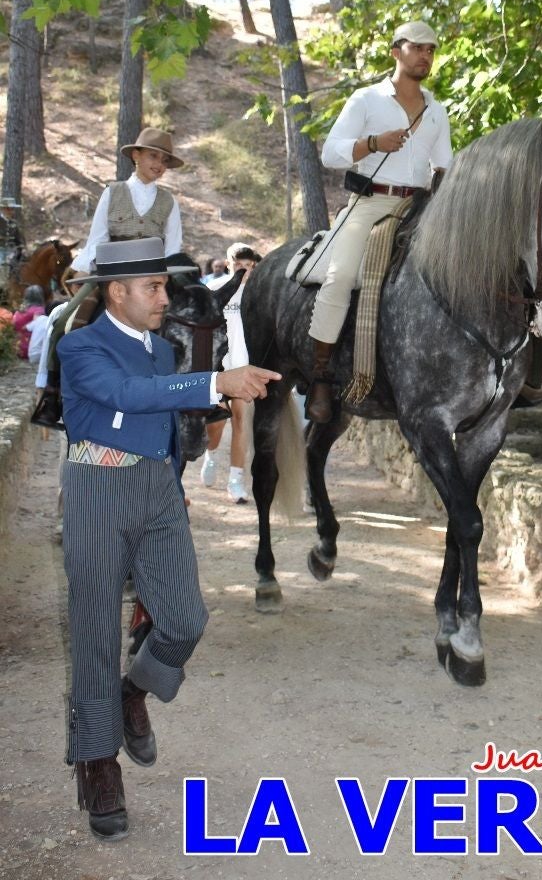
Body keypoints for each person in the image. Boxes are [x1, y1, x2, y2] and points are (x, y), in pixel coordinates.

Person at [57, 237, 279, 842]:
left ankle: (134, 693)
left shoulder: (159, 348)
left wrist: (173, 470)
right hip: (97, 486)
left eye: (162, 286)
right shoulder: (78, 346)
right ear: (117, 292)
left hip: (156, 488)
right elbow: (126, 396)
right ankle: (99, 764)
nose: (165, 297)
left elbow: (157, 411)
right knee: (96, 631)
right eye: (154, 287)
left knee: (184, 618)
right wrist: (214, 382)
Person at [306, 19, 452, 423]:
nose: (425, 55)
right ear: (396, 51)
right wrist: (373, 144)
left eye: (431, 50)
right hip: (370, 204)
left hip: (421, 209)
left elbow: (444, 166)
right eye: (418, 47)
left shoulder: (437, 111)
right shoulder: (366, 100)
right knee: (340, 276)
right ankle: (320, 377)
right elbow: (330, 154)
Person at [33, 128, 186, 428]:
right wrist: (90, 272)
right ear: (136, 155)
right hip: (111, 274)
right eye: (153, 156)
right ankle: (53, 397)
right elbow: (98, 238)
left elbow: (173, 249)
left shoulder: (170, 202)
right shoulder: (112, 192)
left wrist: (162, 281)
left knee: (193, 326)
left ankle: (198, 402)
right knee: (64, 323)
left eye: (164, 160)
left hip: (153, 277)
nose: (159, 164)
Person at [201, 245, 261, 501]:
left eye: (248, 267)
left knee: (241, 423)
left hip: (244, 369)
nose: (244, 272)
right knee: (215, 427)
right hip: (218, 369)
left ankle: (236, 482)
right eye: (239, 266)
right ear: (228, 264)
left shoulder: (258, 294)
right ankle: (210, 454)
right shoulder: (213, 290)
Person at [11, 284, 45, 358]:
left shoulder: (20, 309)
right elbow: (38, 327)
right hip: (29, 348)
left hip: (15, 347)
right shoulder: (38, 310)